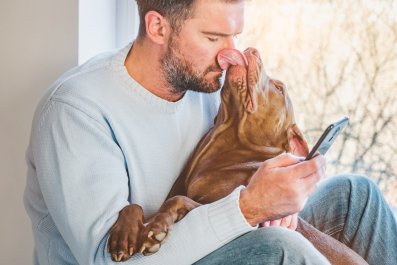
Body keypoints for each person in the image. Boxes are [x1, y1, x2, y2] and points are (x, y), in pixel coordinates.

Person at [24, 0, 397, 264]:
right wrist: (250, 207)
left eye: (234, 35)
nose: (228, 54)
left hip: (210, 234)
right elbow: (110, 262)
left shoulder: (204, 86)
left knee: (355, 196)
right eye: (213, 37)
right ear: (157, 27)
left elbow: (236, 167)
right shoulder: (77, 112)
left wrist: (282, 201)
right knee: (282, 248)